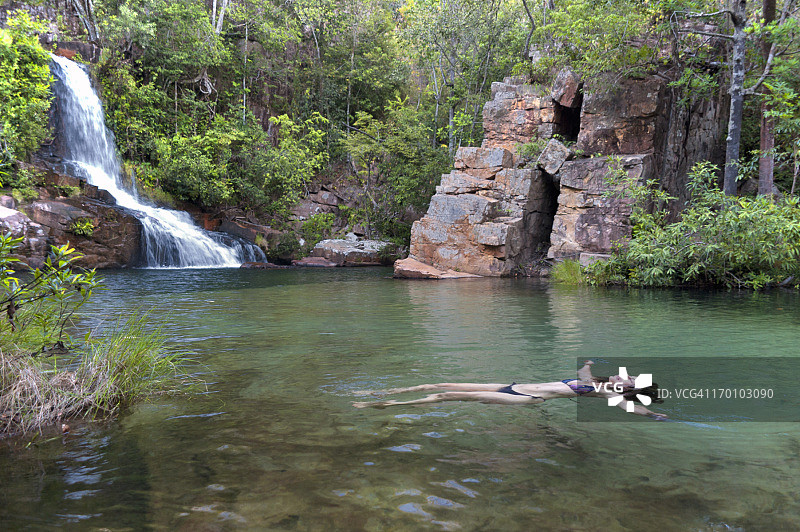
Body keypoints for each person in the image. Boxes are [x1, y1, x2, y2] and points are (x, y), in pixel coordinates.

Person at [352, 360, 667, 419]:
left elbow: (635, 409)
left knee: (447, 396)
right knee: (440, 383)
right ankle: (383, 393)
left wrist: (653, 414)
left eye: (630, 382)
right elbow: (582, 372)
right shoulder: (596, 382)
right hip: (514, 385)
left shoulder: (611, 396)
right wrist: (587, 365)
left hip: (526, 398)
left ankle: (386, 406)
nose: (625, 378)